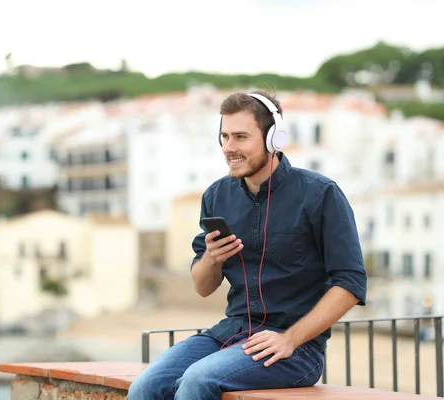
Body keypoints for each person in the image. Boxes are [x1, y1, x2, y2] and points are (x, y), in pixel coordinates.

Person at [127, 91, 368, 399]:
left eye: (240, 137)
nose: (229, 147)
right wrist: (212, 259)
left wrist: (290, 339)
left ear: (273, 139)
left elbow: (350, 283)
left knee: (197, 381)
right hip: (230, 334)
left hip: (296, 350)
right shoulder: (216, 196)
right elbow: (202, 286)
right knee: (145, 387)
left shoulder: (320, 194)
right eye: (225, 137)